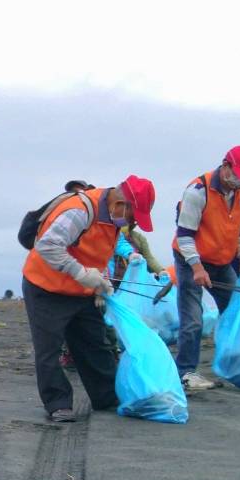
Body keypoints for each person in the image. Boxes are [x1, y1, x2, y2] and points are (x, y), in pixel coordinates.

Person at [22, 176, 157, 423]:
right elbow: (48, 246)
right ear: (121, 203)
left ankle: (106, 396)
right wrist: (81, 273)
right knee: (48, 349)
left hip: (81, 291)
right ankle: (58, 403)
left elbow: (100, 254)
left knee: (95, 344)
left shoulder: (114, 223)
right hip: (46, 287)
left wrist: (101, 284)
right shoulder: (80, 210)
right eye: (133, 216)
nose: (133, 223)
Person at [173, 146, 240, 392]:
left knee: (235, 311)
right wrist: (197, 268)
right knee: (193, 320)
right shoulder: (198, 191)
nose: (239, 180)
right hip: (191, 257)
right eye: (237, 174)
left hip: (222, 259)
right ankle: (186, 372)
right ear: (225, 166)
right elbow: (185, 235)